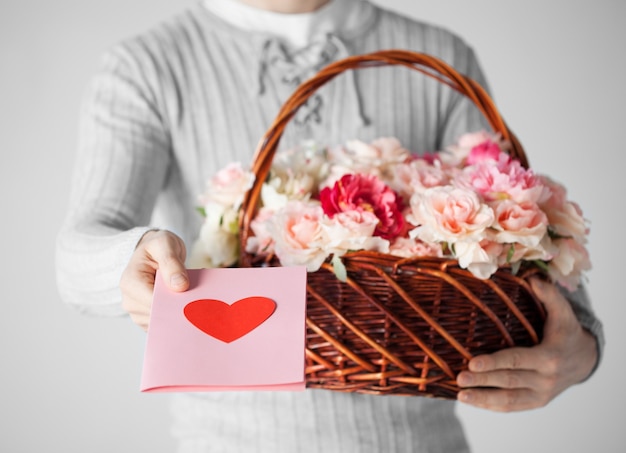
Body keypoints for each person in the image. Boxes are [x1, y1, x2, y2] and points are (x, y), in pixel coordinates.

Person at [55, 0, 604, 451]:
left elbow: (528, 243)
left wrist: (582, 349)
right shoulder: (148, 65)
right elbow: (80, 250)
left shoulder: (439, 57)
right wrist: (133, 261)